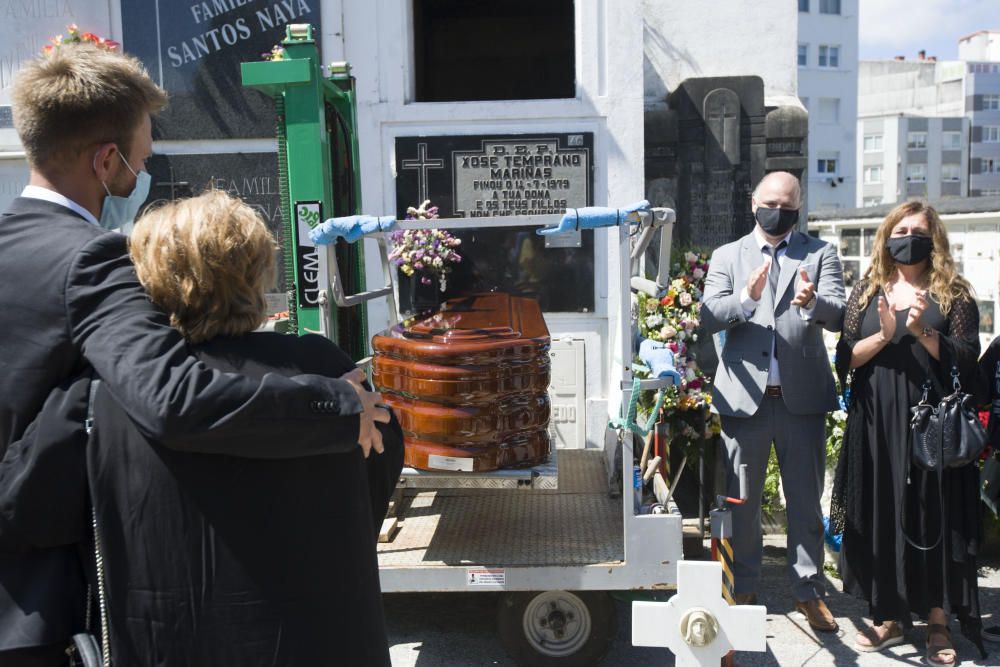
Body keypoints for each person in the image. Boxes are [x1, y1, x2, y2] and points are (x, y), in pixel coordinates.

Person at [0, 44, 388, 664]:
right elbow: (173, 399)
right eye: (139, 161)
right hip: (51, 605)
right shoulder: (91, 260)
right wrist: (341, 404)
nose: (140, 177)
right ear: (106, 160)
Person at [831, 201, 984, 664]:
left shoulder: (953, 294)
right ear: (886, 236)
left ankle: (938, 622)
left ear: (932, 238)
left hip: (931, 422)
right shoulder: (867, 289)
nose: (908, 236)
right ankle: (890, 616)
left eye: (918, 230)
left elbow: (967, 359)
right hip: (876, 420)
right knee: (882, 509)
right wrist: (886, 333)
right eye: (900, 228)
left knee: (931, 513)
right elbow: (845, 357)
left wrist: (920, 332)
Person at [700, 171, 845, 631]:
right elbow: (709, 314)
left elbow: (840, 313)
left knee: (805, 499)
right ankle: (744, 583)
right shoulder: (727, 256)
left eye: (787, 204)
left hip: (801, 400)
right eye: (770, 203)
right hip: (746, 399)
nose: (777, 211)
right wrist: (746, 297)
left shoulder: (820, 253)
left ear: (798, 207)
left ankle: (809, 591)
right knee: (742, 500)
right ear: (753, 203)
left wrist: (812, 302)